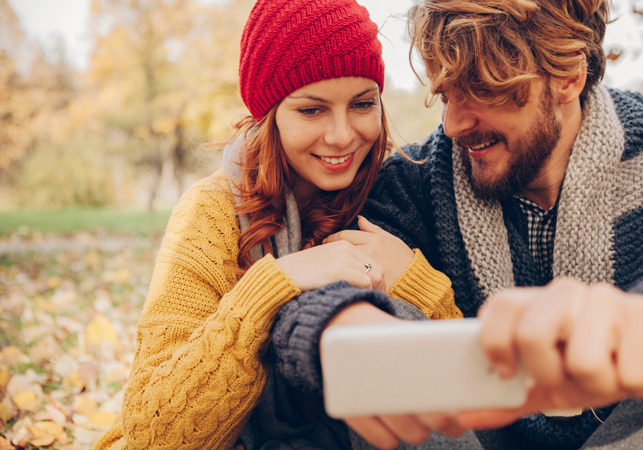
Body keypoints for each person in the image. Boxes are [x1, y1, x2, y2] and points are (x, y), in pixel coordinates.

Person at [270, 0, 643, 449]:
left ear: (568, 76)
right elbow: (316, 288)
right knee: (389, 330)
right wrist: (337, 320)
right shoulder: (411, 183)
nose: (454, 124)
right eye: (446, 94)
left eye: (482, 90)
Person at [91, 1, 463, 449]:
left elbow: (468, 400)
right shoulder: (211, 213)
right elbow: (156, 434)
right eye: (312, 110)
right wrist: (272, 286)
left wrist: (416, 282)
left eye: (363, 104)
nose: (342, 135)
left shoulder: (389, 200)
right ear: (270, 114)